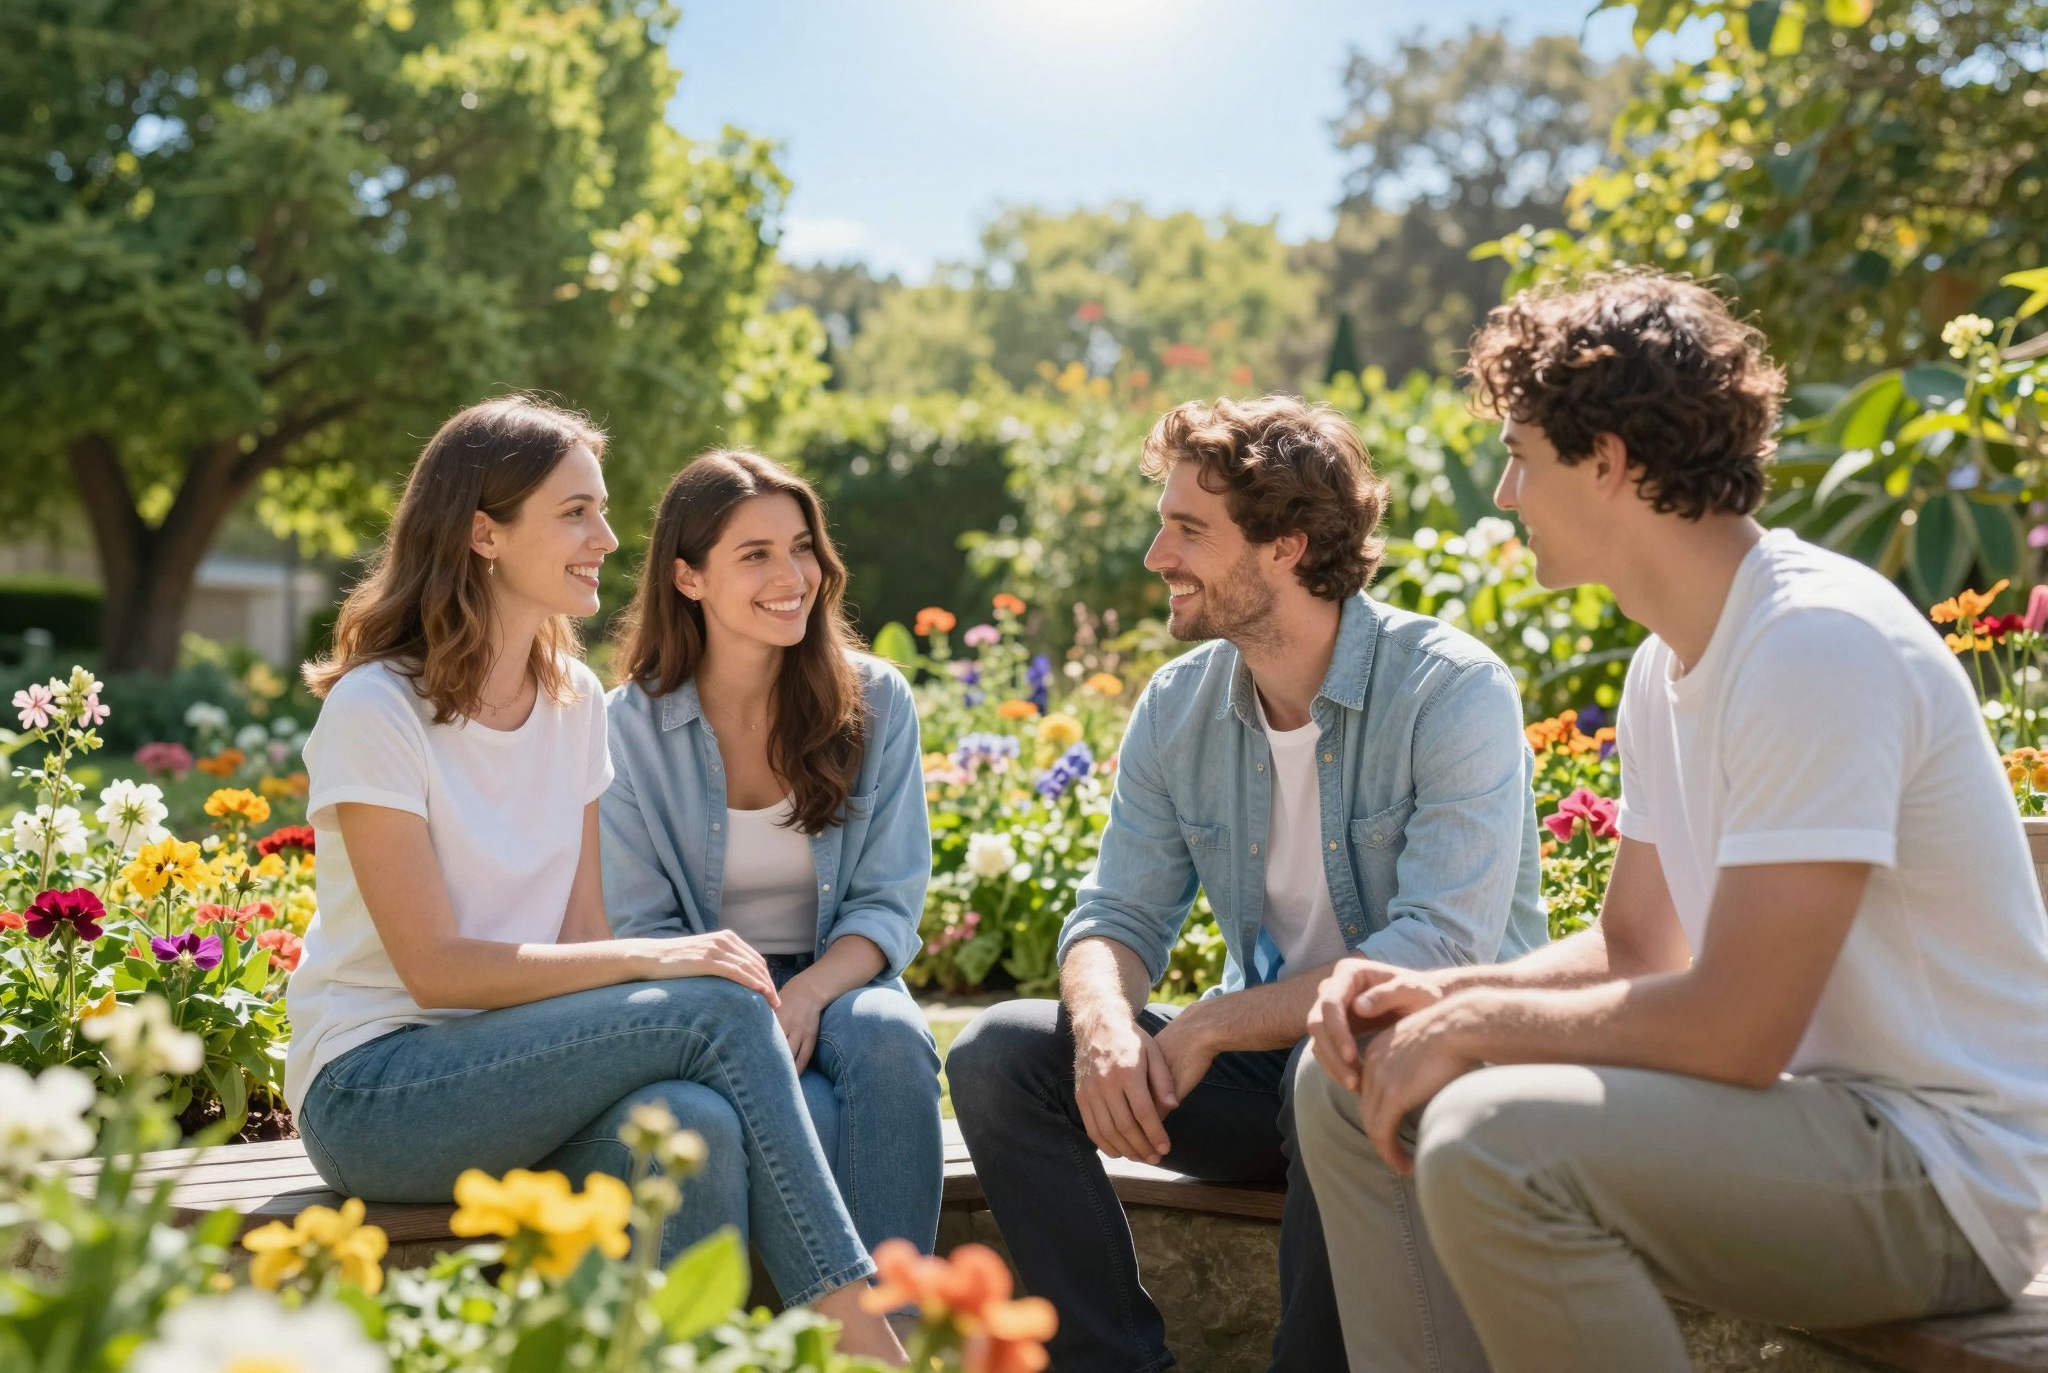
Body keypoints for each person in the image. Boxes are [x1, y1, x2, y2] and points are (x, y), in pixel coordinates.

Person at [1296, 271, 2048, 1372]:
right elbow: (1635, 946)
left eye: (1521, 454)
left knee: (1492, 1147)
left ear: (1605, 461)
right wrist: (1435, 995)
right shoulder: (1667, 661)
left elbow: (1734, 1031)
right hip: (1802, 1134)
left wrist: (1471, 1028)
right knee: (1345, 1071)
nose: (1504, 494)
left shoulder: (1811, 645)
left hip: (1942, 1174)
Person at [286, 397, 902, 1363]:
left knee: (688, 1126)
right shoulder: (378, 708)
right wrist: (675, 964)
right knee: (720, 998)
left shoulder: (572, 698)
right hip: (380, 1092)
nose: (609, 539)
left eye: (603, 511)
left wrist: (653, 980)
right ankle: (867, 1345)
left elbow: (579, 939)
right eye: (576, 513)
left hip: (527, 1072)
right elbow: (435, 971)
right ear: (485, 532)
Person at [946, 394, 1544, 1373]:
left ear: (1286, 547)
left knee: (1335, 1060)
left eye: (1187, 529)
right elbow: (1118, 912)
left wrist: (1210, 1026)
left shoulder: (1448, 689)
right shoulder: (1181, 704)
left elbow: (1434, 957)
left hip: (1431, 1075)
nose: (1156, 556)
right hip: (1272, 1083)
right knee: (998, 1057)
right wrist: (1102, 1027)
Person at [601, 449, 943, 1260]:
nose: (792, 574)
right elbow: (640, 925)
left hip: (842, 975)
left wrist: (810, 994)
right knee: (815, 1118)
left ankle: (892, 1329)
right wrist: (752, 1006)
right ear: (688, 579)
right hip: (698, 997)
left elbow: (888, 900)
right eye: (755, 555)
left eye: (801, 548)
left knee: (890, 1039)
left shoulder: (878, 701)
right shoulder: (624, 729)